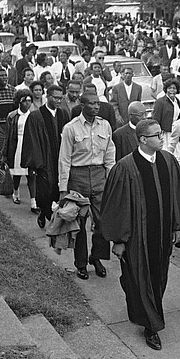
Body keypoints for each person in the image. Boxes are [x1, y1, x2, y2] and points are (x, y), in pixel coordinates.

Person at [101, 119, 180, 351]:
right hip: (138, 238)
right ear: (142, 139)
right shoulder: (125, 167)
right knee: (140, 279)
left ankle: (150, 312)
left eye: (161, 134)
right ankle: (151, 327)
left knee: (158, 277)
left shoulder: (168, 161)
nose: (162, 139)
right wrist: (119, 240)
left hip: (162, 236)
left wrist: (177, 226)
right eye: (157, 135)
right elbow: (117, 207)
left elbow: (177, 196)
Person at [58, 91, 116, 280]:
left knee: (103, 221)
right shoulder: (71, 128)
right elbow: (64, 159)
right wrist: (63, 188)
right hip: (78, 177)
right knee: (79, 224)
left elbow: (109, 154)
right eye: (91, 104)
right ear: (82, 106)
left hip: (99, 176)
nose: (96, 107)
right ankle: (81, 263)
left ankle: (96, 257)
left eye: (98, 103)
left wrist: (111, 177)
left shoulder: (105, 125)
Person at [22, 85, 70, 227]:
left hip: (61, 158)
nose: (58, 101)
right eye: (55, 98)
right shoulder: (36, 116)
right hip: (45, 160)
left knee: (60, 188)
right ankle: (45, 212)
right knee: (45, 190)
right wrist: (37, 163)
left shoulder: (63, 114)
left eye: (60, 98)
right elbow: (32, 140)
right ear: (47, 97)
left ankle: (51, 215)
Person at [3, 89, 36, 208]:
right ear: (19, 102)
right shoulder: (12, 116)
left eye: (29, 101)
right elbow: (7, 136)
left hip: (29, 146)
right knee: (17, 172)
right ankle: (15, 192)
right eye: (24, 101)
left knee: (31, 174)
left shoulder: (34, 115)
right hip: (16, 145)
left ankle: (33, 202)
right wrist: (4, 153)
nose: (27, 103)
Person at [151, 79, 180, 149]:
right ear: (166, 89)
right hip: (165, 133)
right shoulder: (160, 101)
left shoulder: (177, 101)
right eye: (169, 88)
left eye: (174, 88)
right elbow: (156, 119)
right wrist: (157, 133)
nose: (172, 90)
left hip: (175, 132)